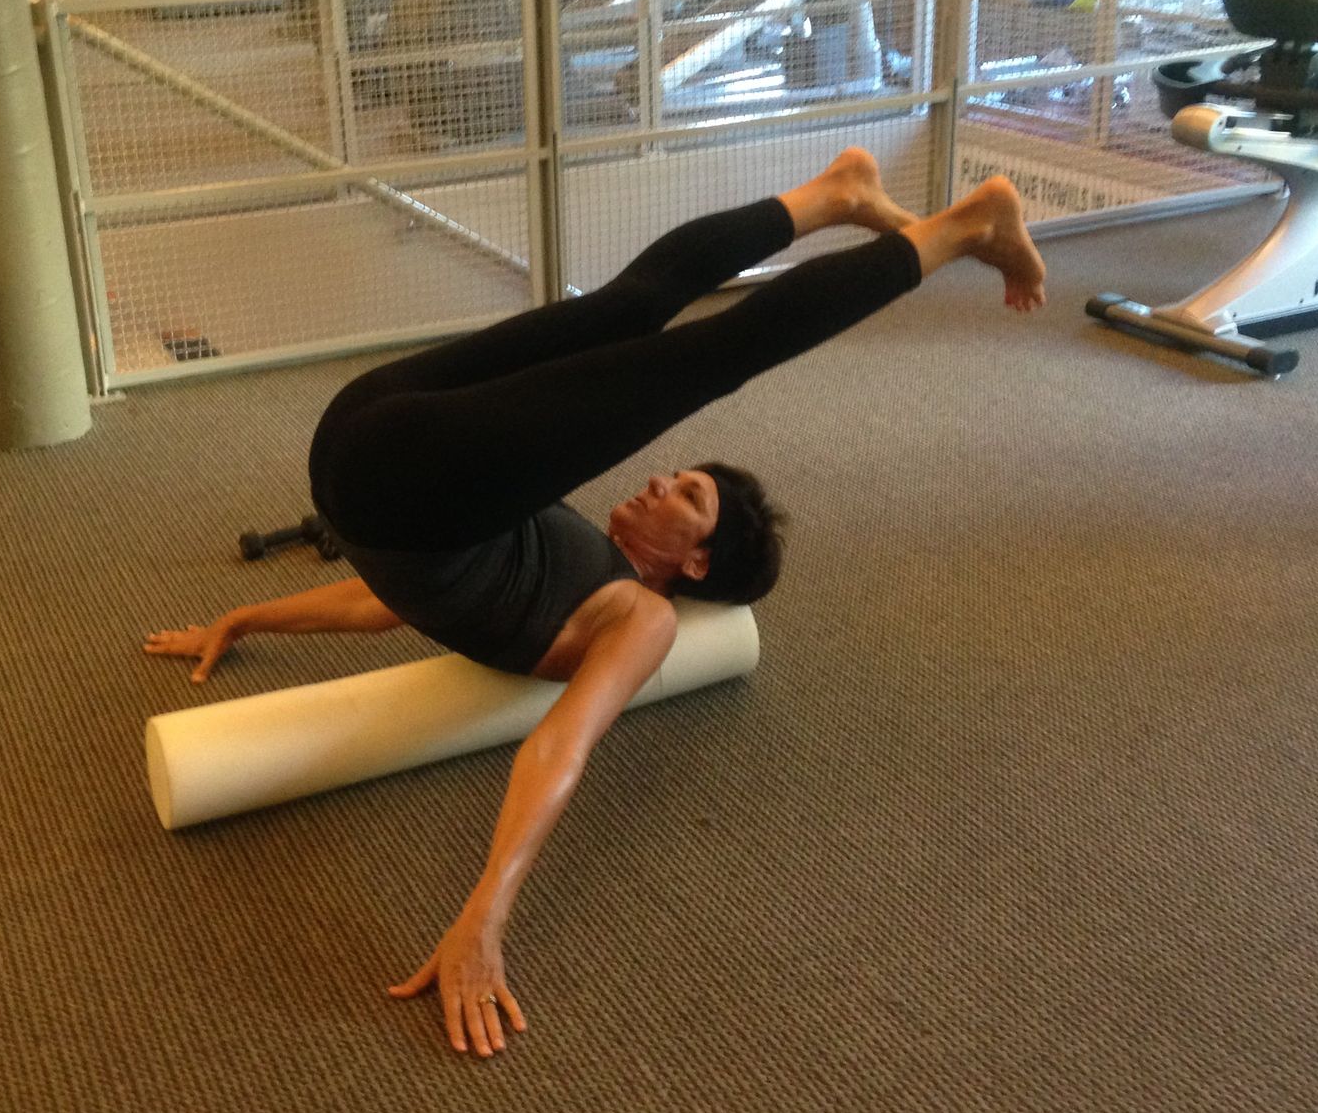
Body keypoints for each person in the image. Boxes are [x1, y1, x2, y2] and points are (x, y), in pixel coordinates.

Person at [145, 150, 1047, 1058]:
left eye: (686, 499)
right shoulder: (562, 522)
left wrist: (485, 913)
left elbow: (557, 743)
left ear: (692, 566)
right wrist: (245, 618)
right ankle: (827, 198)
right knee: (628, 306)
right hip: (374, 437)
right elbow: (390, 598)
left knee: (709, 354)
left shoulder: (638, 618)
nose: (659, 482)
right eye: (679, 476)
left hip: (387, 483)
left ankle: (959, 227)